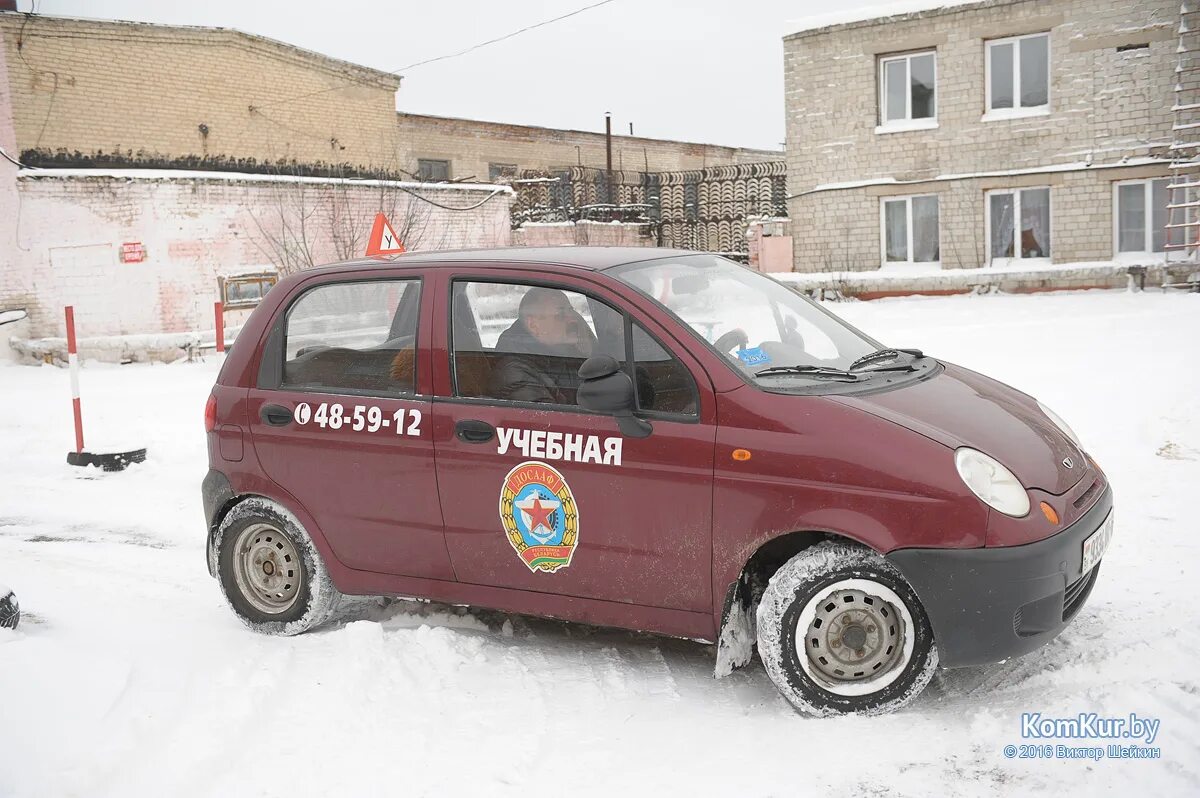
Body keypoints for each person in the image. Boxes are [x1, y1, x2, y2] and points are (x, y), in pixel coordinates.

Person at [491, 288, 596, 403]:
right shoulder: (516, 373)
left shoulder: (564, 350)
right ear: (533, 325)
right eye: (560, 315)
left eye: (571, 311)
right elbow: (549, 419)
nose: (573, 319)